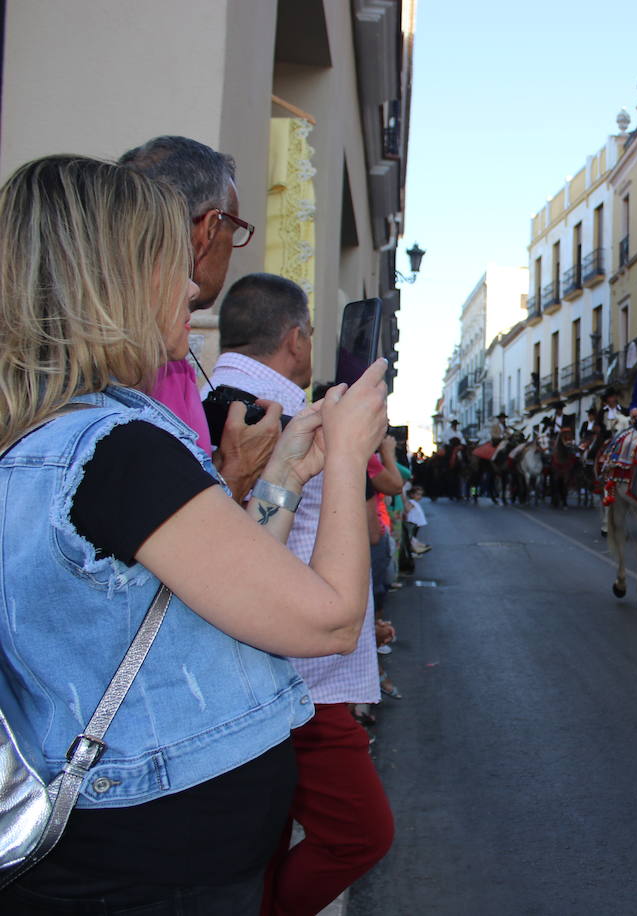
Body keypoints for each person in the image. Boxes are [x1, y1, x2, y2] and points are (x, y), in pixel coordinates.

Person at [0, 155, 388, 911]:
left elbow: (216, 586)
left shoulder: (55, 437)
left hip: (120, 855)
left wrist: (286, 474)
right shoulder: (118, 451)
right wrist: (346, 459)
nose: (189, 289)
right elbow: (330, 618)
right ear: (110, 282)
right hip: (152, 873)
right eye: (168, 266)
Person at [206, 273, 394, 913]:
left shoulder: (214, 397)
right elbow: (258, 549)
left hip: (278, 668)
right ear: (296, 337)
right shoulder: (278, 413)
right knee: (360, 833)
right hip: (300, 675)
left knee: (261, 836)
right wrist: (346, 455)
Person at [120, 135, 277, 502]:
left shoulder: (159, 348)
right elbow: (172, 547)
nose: (191, 290)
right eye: (234, 229)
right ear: (209, 227)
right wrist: (238, 473)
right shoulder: (142, 361)